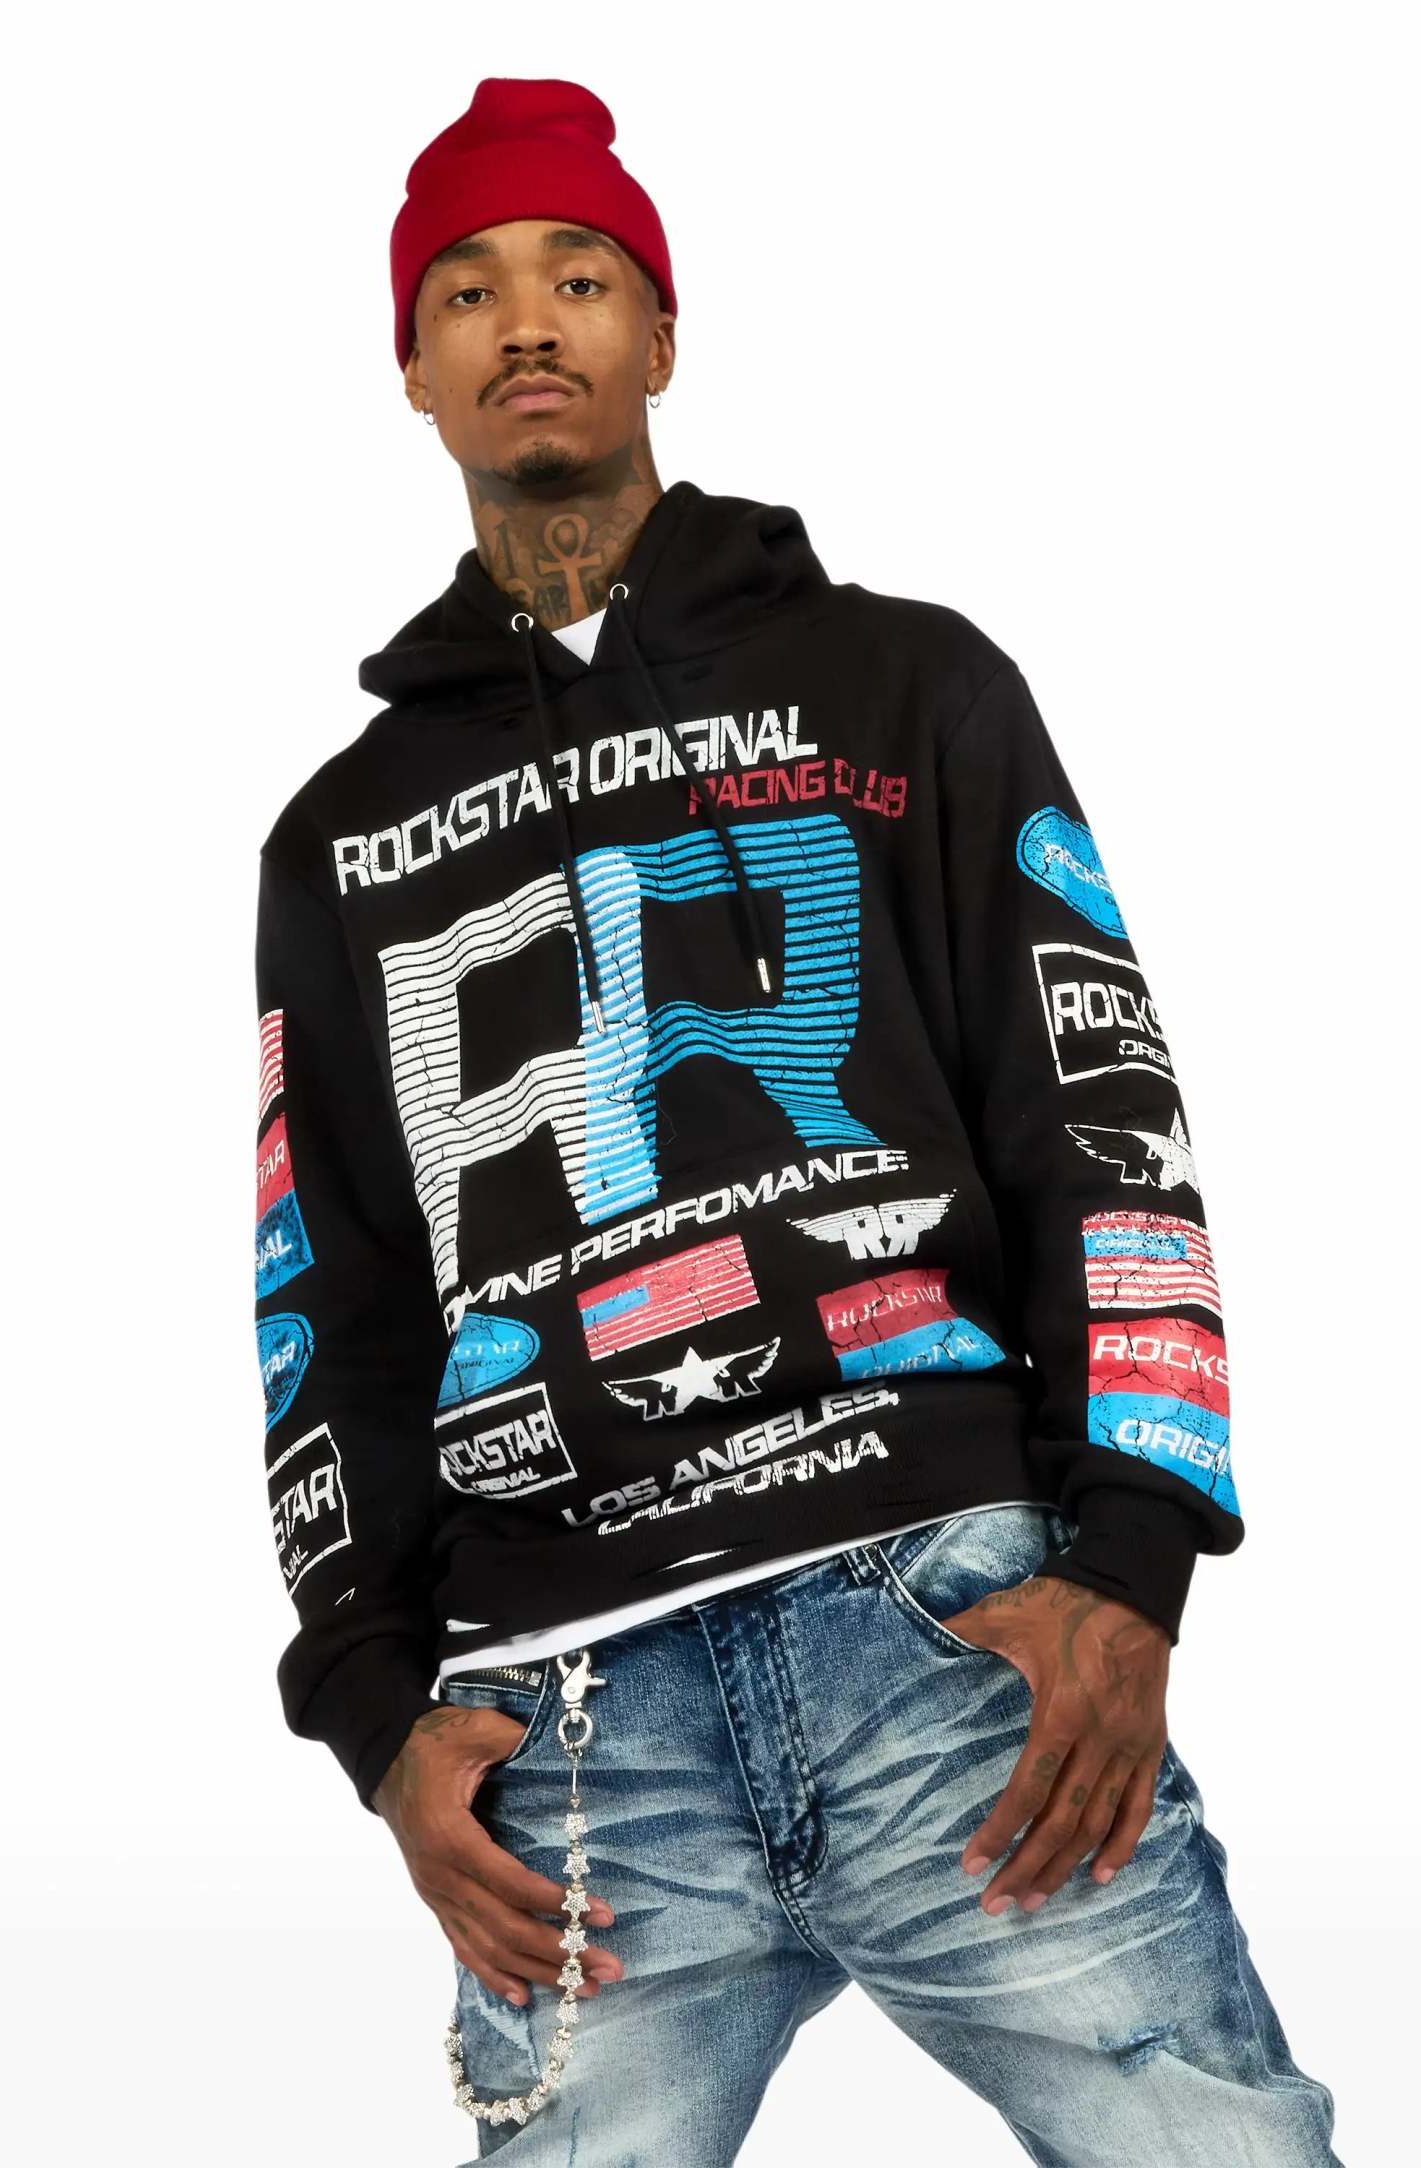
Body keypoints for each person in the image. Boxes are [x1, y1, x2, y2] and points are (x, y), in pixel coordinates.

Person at [252, 74, 1342, 2164]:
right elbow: (332, 1302)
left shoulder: (906, 684)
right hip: (575, 1742)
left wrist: (1135, 1559)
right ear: (412, 368)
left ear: (663, 333)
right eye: (467, 291)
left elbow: (1094, 1111)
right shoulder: (340, 837)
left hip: (944, 1637)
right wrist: (376, 1710)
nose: (527, 320)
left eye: (581, 275)